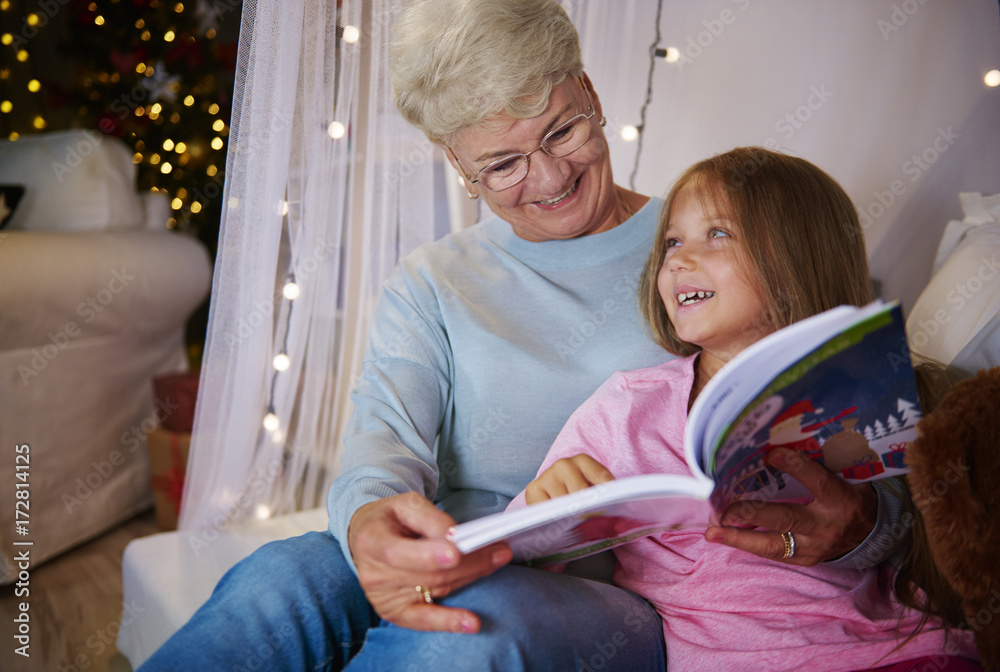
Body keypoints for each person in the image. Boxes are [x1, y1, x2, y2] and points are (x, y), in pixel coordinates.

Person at [138, 2, 912, 670]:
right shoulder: (433, 280)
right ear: (457, 164)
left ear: (591, 92)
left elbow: (857, 430)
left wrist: (863, 526)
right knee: (279, 581)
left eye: (562, 129)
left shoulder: (713, 244)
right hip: (467, 544)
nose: (546, 178)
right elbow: (383, 443)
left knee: (471, 631)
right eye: (501, 163)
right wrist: (376, 522)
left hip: (624, 594)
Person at [509, 146, 981, 671]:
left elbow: (935, 540)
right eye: (671, 241)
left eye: (718, 234)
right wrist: (544, 509)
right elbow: (514, 547)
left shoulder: (872, 391)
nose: (679, 259)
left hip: (897, 651)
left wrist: (870, 524)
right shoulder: (625, 409)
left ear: (802, 256)